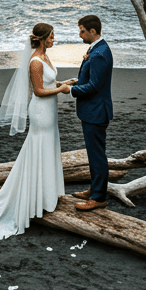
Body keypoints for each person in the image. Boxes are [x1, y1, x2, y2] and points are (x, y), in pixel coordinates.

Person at [0, 22, 71, 239]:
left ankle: (44, 196)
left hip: (50, 112)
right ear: (42, 39)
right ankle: (34, 198)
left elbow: (48, 82)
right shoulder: (35, 61)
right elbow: (40, 91)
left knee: (49, 147)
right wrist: (61, 89)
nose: (54, 39)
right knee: (38, 149)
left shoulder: (46, 57)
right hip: (41, 112)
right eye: (51, 36)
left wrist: (62, 82)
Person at [62, 15, 113, 211]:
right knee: (94, 155)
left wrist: (72, 91)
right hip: (93, 111)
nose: (79, 34)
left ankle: (99, 197)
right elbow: (92, 79)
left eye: (82, 30)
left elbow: (94, 86)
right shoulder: (98, 48)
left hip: (96, 112)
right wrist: (77, 81)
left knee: (97, 156)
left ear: (93, 31)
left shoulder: (99, 53)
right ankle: (94, 189)